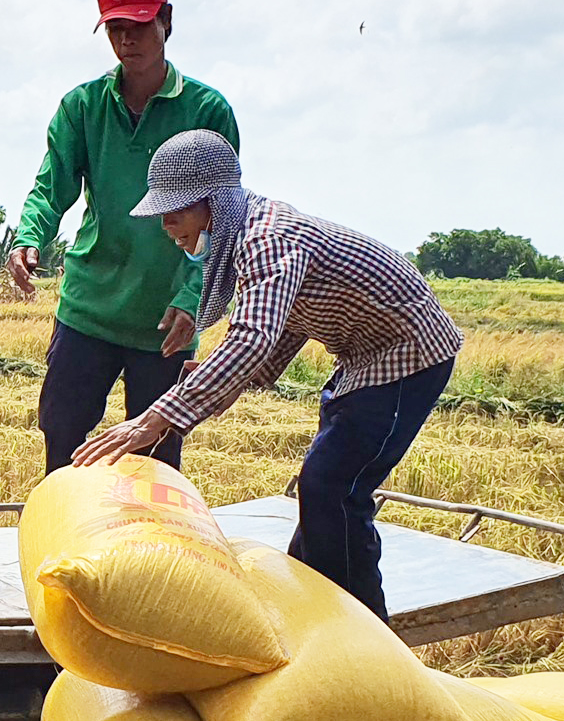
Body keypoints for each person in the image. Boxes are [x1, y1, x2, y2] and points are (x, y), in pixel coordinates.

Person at [73, 130, 462, 622]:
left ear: (214, 203)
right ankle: (311, 607)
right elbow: (287, 322)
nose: (167, 224)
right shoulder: (253, 233)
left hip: (406, 353)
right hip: (361, 358)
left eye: (177, 210)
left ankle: (364, 632)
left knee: (334, 488)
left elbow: (253, 336)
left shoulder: (267, 239)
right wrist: (237, 377)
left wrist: (155, 419)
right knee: (322, 486)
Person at [9, 0, 240, 475]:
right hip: (89, 306)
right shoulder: (83, 107)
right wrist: (29, 237)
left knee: (156, 455)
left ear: (167, 21)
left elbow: (223, 218)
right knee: (62, 432)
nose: (125, 40)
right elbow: (52, 187)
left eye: (137, 26)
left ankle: (148, 531)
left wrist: (192, 298)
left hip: (167, 318)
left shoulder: (207, 111)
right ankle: (67, 525)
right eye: (115, 29)